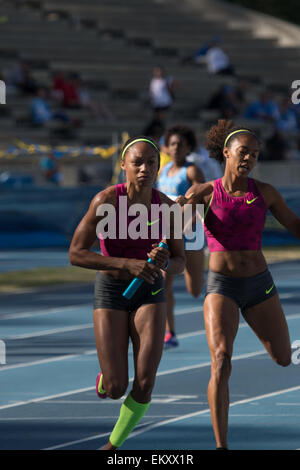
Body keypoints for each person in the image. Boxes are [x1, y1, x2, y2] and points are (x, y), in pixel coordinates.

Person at [178, 119, 297, 449]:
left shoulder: (265, 193)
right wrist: (177, 214)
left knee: (284, 358)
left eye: (255, 155)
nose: (249, 159)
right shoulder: (204, 192)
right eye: (243, 152)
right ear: (226, 153)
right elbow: (177, 226)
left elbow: (295, 225)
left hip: (260, 285)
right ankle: (221, 445)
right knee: (221, 359)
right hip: (222, 286)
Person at [69, 136, 185, 450]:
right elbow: (76, 253)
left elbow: (180, 262)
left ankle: (111, 447)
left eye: (151, 162)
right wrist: (127, 264)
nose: (145, 168)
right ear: (124, 166)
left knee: (145, 382)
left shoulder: (168, 208)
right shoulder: (105, 201)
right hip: (111, 291)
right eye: (137, 162)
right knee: (118, 387)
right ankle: (107, 378)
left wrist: (165, 263)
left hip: (150, 293)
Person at [157, 125, 205, 348]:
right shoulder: (163, 170)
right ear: (167, 147)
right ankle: (169, 332)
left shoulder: (192, 171)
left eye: (180, 144)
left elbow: (203, 201)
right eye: (172, 144)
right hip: (168, 233)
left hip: (190, 232)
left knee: (194, 289)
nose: (176, 148)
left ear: (188, 147)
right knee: (163, 281)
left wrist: (188, 222)